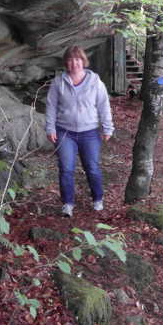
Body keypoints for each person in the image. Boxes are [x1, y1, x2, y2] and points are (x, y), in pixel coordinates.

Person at [45, 45, 114, 217]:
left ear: (83, 61)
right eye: (70, 59)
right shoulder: (58, 82)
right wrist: (50, 127)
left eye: (77, 59)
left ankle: (97, 199)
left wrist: (108, 127)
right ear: (66, 63)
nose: (74, 63)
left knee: (92, 167)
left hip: (89, 132)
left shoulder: (95, 82)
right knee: (66, 168)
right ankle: (68, 203)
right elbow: (51, 106)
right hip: (65, 132)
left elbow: (104, 106)